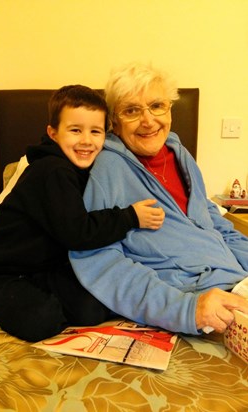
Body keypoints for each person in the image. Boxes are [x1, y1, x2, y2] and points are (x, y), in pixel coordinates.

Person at [0, 84, 165, 342]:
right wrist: (130, 217)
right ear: (53, 133)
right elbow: (78, 232)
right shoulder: (51, 171)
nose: (86, 140)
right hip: (5, 274)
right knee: (42, 321)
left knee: (92, 307)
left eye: (95, 131)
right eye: (75, 130)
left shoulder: (88, 170)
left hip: (44, 270)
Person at [69, 63, 248, 335]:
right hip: (197, 298)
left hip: (237, 283)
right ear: (114, 124)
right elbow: (98, 258)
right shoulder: (108, 168)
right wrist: (188, 309)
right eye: (131, 111)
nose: (148, 121)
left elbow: (214, 222)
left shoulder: (179, 154)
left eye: (156, 106)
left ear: (170, 110)